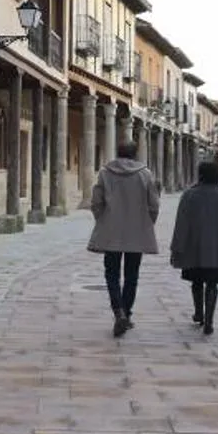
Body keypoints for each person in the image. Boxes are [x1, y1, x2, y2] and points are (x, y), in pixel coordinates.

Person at [87, 140, 160, 338]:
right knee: (132, 276)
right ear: (135, 155)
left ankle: (117, 311)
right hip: (136, 231)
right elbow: (154, 205)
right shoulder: (145, 174)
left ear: (118, 153)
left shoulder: (105, 173)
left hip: (111, 231)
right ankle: (126, 314)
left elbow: (96, 202)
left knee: (111, 273)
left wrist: (103, 220)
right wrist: (146, 224)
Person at [169, 159, 218, 336]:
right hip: (216, 249)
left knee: (196, 282)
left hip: (194, 247)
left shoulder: (189, 195)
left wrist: (177, 245)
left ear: (200, 174)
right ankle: (209, 320)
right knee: (212, 284)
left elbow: (181, 223)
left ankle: (199, 313)